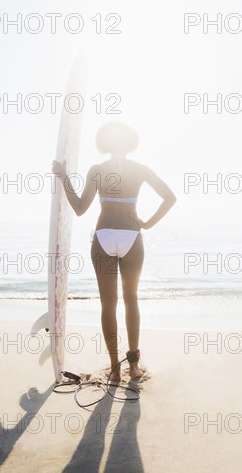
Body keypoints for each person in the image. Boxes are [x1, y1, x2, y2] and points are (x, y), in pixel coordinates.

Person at [52, 122, 176, 381]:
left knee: (109, 305)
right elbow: (170, 197)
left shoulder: (97, 170)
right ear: (131, 143)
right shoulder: (140, 169)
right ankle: (133, 367)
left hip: (104, 236)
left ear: (104, 143)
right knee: (131, 299)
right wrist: (147, 223)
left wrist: (64, 177)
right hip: (132, 236)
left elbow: (79, 207)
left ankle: (115, 369)